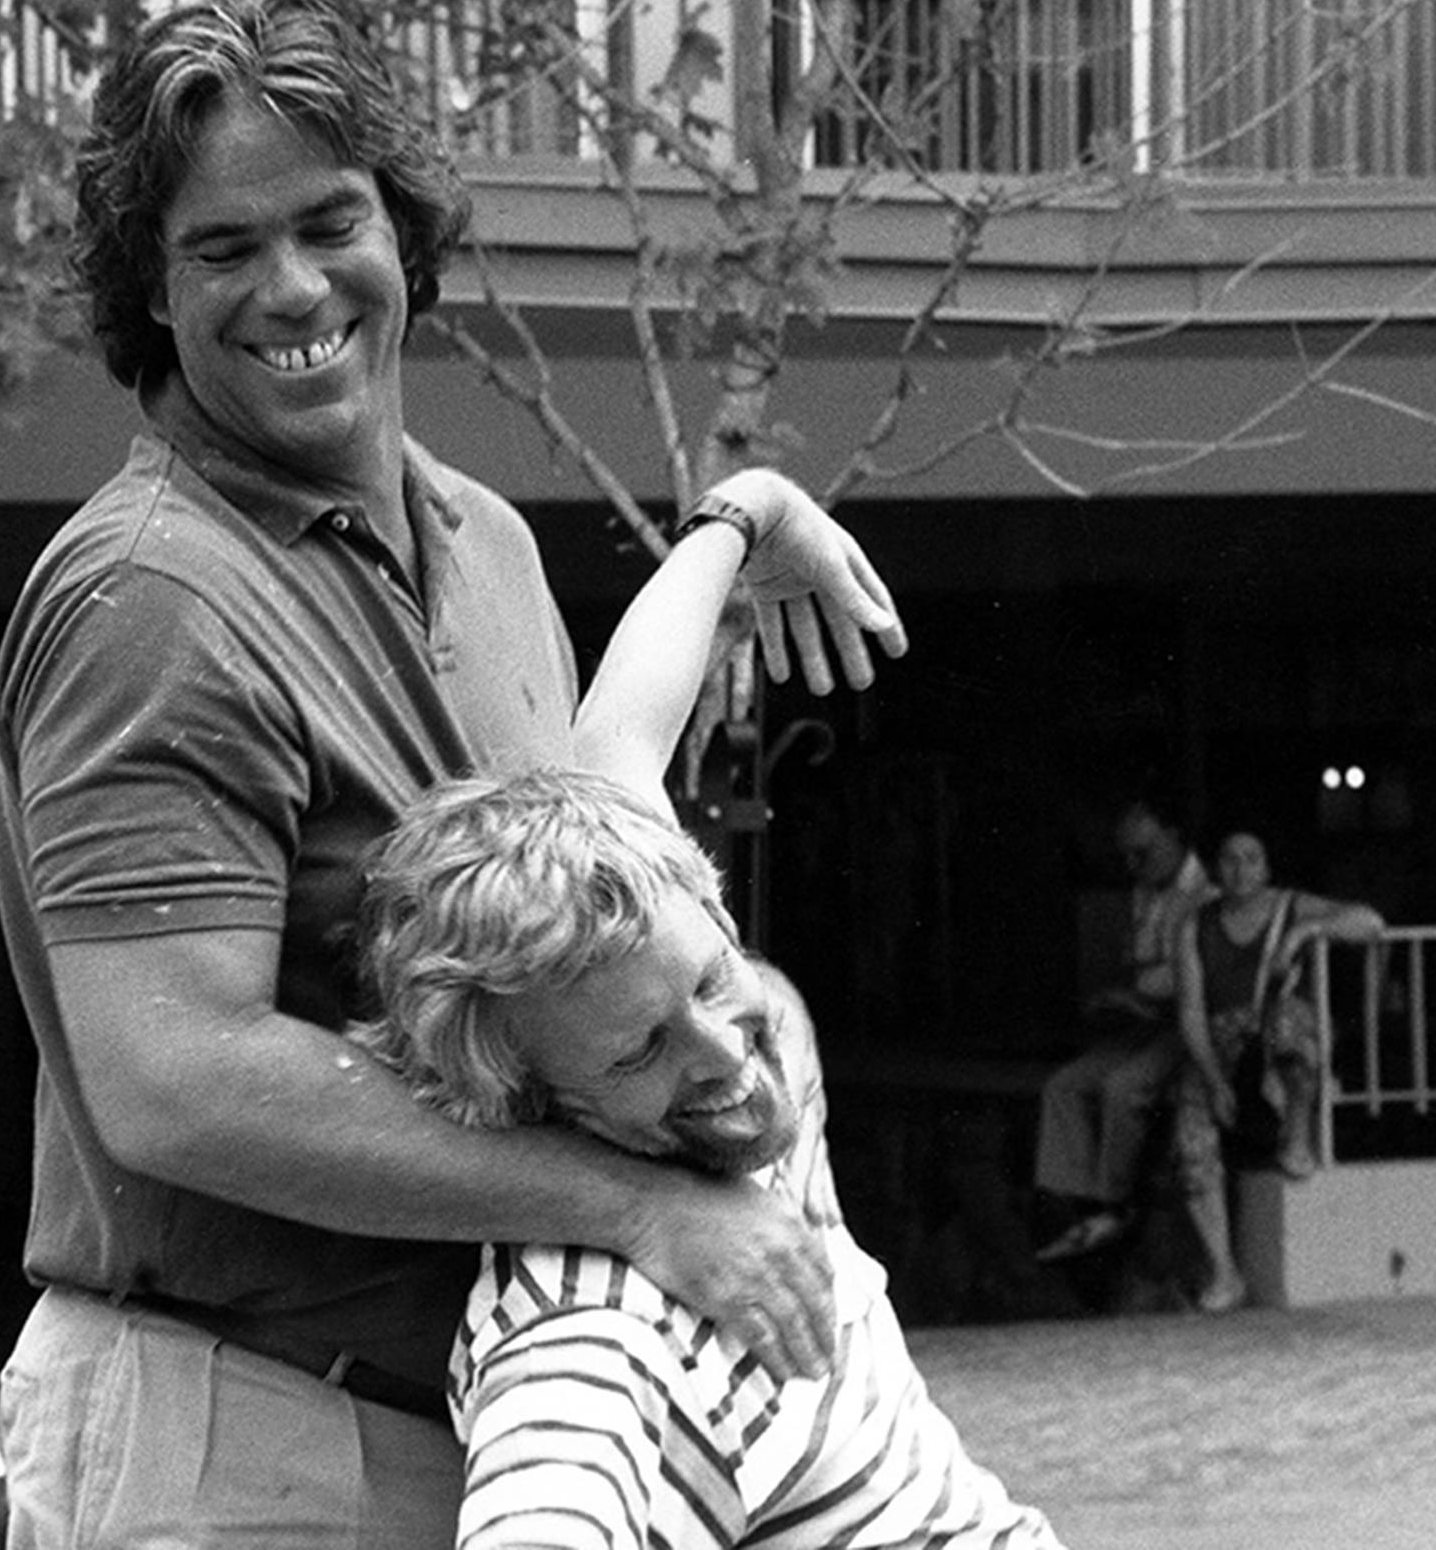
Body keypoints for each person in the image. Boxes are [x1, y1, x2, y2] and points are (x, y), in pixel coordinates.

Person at [0, 0, 905, 1548]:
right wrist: (641, 1209)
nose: (290, 288)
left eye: (327, 221)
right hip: (235, 1437)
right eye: (221, 249)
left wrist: (738, 516)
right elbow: (174, 1083)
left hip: (460, 1434)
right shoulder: (150, 599)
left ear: (401, 233)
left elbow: (602, 819)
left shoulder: (479, 538)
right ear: (151, 292)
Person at [347, 514, 1045, 1545]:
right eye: (639, 1051)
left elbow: (624, 732)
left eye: (713, 981)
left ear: (712, 913)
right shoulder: (586, 1333)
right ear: (530, 1102)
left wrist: (744, 514)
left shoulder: (646, 963)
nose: (721, 1050)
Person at [1173, 829, 1383, 1312]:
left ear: (1266, 868)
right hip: (1222, 1040)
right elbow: (1191, 1011)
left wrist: (1306, 931)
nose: (1240, 870)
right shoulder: (1195, 924)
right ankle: (1224, 1271)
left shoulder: (1291, 905)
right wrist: (1213, 1079)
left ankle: (1297, 1131)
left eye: (1251, 859)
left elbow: (1369, 921)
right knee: (1191, 1135)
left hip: (1277, 1027)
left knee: (1294, 1027)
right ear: (1215, 868)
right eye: (1229, 859)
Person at [1030, 798, 1215, 1263]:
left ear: (1173, 840)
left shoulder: (1205, 897)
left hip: (1186, 1024)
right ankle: (1070, 1200)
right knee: (1064, 1085)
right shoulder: (1145, 891)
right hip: (1144, 1022)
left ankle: (1115, 1202)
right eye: (1128, 855)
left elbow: (1190, 982)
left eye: (1143, 853)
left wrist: (1138, 995)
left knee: (1121, 1087)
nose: (1133, 865)